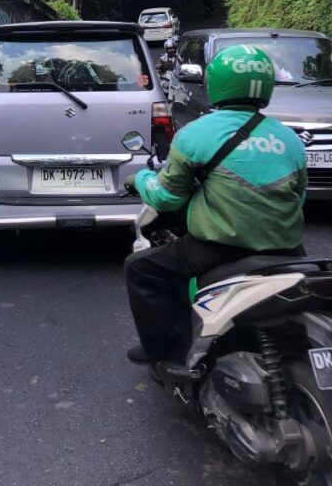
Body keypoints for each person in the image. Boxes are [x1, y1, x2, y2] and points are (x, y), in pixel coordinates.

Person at [124, 43, 307, 367]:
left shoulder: (196, 134)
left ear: (215, 83)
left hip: (222, 249)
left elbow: (168, 197)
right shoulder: (289, 138)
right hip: (288, 249)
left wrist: (140, 180)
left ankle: (166, 351)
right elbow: (299, 196)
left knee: (141, 269)